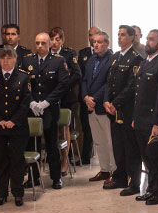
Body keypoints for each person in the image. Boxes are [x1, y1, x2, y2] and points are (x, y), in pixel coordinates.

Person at [0, 47, 32, 207]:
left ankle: (18, 194)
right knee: (1, 161)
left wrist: (13, 121)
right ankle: (1, 194)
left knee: (17, 161)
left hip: (18, 127)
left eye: (9, 58)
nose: (6, 61)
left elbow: (25, 103)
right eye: (3, 58)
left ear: (15, 59)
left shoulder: (24, 78)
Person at [22, 32, 69, 189]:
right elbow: (22, 84)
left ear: (49, 44)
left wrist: (46, 102)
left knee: (51, 144)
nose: (40, 46)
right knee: (31, 144)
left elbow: (62, 85)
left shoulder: (58, 61)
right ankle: (33, 177)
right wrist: (32, 103)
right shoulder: (27, 60)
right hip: (32, 110)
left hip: (49, 109)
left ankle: (56, 178)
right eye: (37, 43)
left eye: (43, 43)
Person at [131, 29, 158, 205]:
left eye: (151, 40)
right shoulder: (144, 63)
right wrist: (135, 117)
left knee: (156, 159)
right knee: (146, 158)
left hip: (152, 120)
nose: (147, 42)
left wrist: (157, 122)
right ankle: (151, 189)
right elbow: (139, 95)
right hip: (140, 119)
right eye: (147, 39)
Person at [102, 25, 141, 194]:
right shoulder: (116, 57)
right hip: (113, 110)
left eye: (123, 35)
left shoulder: (136, 58)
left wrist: (115, 103)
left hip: (126, 109)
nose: (119, 38)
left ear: (132, 37)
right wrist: (105, 101)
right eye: (118, 35)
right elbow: (108, 82)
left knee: (130, 148)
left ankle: (134, 182)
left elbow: (132, 87)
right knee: (118, 146)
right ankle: (120, 177)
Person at [81, 31, 114, 181]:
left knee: (109, 141)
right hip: (90, 106)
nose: (96, 45)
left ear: (107, 44)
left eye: (99, 42)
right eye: (94, 42)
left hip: (103, 106)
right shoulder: (91, 59)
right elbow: (84, 80)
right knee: (98, 141)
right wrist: (86, 97)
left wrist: (94, 98)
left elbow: (108, 83)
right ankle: (104, 170)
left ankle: (115, 171)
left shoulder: (112, 59)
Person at [49, 26, 81, 174]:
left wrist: (62, 86)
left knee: (64, 129)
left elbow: (77, 74)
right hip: (50, 97)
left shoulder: (69, 54)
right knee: (51, 129)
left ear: (62, 40)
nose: (54, 42)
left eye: (58, 39)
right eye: (52, 39)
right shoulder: (46, 55)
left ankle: (64, 160)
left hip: (66, 97)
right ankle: (53, 159)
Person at [75, 26, 100, 165]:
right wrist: (85, 96)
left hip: (100, 98)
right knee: (86, 128)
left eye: (95, 35)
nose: (92, 38)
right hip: (85, 96)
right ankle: (85, 156)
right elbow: (81, 76)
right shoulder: (83, 53)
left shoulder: (108, 54)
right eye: (90, 35)